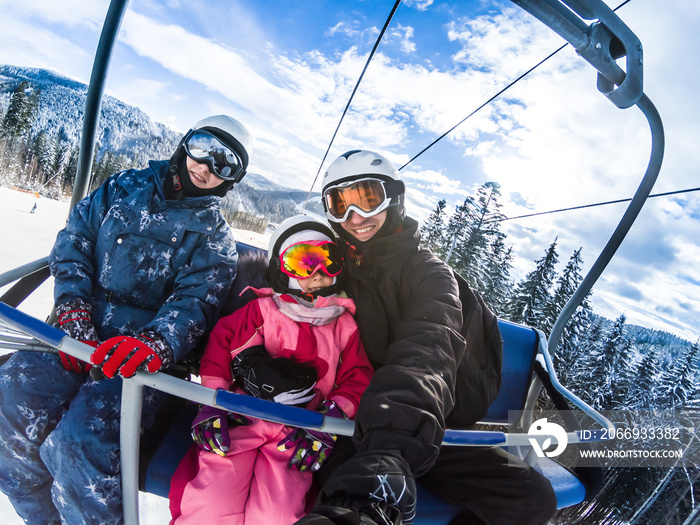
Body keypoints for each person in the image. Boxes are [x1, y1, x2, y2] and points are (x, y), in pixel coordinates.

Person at [0, 114, 252, 525]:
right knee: (11, 394)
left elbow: (195, 305)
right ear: (186, 142)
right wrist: (71, 308)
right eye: (204, 147)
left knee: (80, 439)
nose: (205, 167)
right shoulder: (123, 187)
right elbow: (73, 243)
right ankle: (40, 518)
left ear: (231, 180)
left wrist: (155, 344)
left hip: (137, 363)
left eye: (224, 164)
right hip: (74, 336)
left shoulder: (213, 239)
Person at [296, 150, 557, 525]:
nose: (355, 217)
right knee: (322, 493)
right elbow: (281, 303)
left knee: (530, 500)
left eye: (368, 198)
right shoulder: (333, 268)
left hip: (421, 424)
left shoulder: (430, 274)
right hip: (349, 423)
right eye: (339, 204)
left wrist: (387, 454)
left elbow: (428, 352)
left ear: (394, 199)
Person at [168, 215, 374, 525]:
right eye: (304, 262)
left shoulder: (344, 326)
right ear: (283, 270)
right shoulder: (264, 310)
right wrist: (212, 403)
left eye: (327, 261)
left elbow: (357, 376)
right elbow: (221, 346)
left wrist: (335, 415)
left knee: (277, 513)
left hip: (299, 431)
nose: (317, 274)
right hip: (242, 416)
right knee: (211, 502)